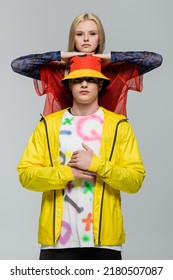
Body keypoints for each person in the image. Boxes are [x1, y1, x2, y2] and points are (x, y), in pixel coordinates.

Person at [17, 55, 146, 260]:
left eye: (91, 79)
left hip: (105, 244)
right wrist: (68, 172)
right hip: (56, 244)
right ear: (69, 85)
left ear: (101, 84)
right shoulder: (48, 125)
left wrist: (97, 164)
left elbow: (135, 181)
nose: (84, 84)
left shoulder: (119, 126)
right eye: (77, 80)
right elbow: (26, 175)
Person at [11, 13, 163, 117]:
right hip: (65, 138)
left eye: (92, 34)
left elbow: (155, 59)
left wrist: (110, 57)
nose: (85, 39)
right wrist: (62, 55)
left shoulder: (116, 70)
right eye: (79, 34)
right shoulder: (57, 71)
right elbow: (18, 65)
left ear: (99, 37)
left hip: (104, 140)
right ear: (73, 38)